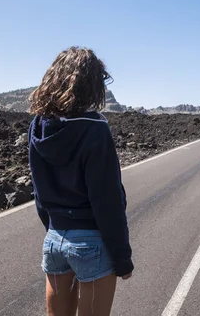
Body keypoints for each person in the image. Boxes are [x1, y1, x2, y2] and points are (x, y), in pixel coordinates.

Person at [28, 46, 133, 316]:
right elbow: (106, 201)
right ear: (91, 85)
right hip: (91, 244)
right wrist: (122, 258)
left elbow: (39, 193)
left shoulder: (37, 127)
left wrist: (56, 232)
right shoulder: (95, 129)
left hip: (54, 239)